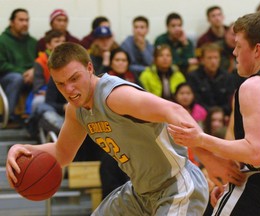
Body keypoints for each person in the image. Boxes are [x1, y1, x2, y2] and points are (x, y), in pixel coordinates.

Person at [6, 42, 245, 216]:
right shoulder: (75, 110)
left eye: (74, 78)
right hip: (141, 192)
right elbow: (62, 153)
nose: (69, 89)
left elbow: (176, 111)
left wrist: (207, 156)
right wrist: (24, 148)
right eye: (60, 84)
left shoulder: (116, 96)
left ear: (90, 68)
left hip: (177, 187)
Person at [168, 12, 260, 215]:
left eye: (239, 46)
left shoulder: (254, 86)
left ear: (257, 50)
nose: (233, 52)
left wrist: (200, 139)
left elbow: (255, 152)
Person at [0, 8, 37, 124]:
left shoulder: (33, 42)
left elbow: (41, 61)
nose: (25, 23)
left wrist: (34, 71)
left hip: (32, 75)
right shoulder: (2, 41)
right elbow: (2, 64)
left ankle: (32, 120)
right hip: (7, 77)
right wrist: (23, 72)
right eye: (21, 20)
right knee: (17, 79)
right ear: (12, 22)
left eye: (27, 20)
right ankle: (8, 117)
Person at [187, 43, 235, 117]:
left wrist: (219, 114)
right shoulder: (193, 77)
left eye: (216, 58)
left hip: (223, 116)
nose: (213, 61)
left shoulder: (228, 77)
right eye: (209, 58)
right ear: (202, 60)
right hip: (201, 116)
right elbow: (196, 102)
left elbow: (229, 102)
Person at [27, 30, 65, 114]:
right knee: (38, 101)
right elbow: (38, 87)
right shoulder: (40, 61)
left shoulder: (69, 59)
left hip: (65, 92)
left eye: (63, 41)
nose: (61, 44)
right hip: (47, 92)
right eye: (57, 41)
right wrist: (50, 92)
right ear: (48, 45)